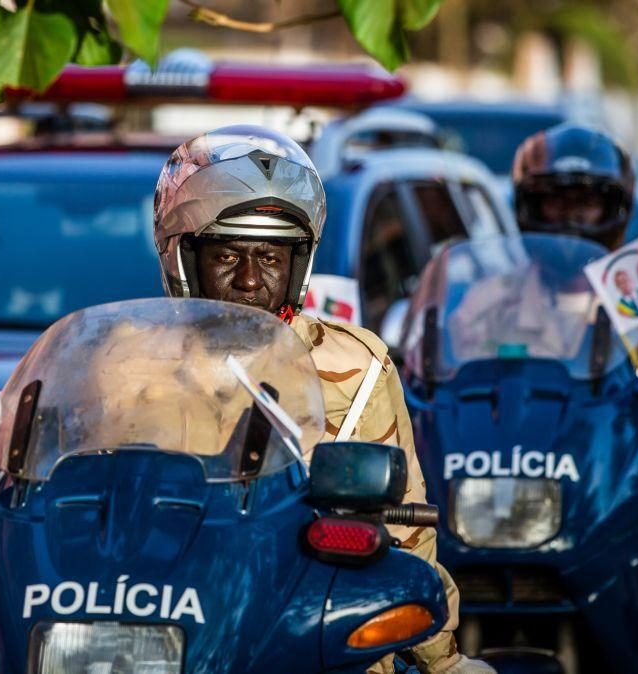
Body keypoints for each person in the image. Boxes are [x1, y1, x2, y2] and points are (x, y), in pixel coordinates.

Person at [153, 126, 492, 674]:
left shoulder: (357, 365)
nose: (248, 279)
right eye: (227, 254)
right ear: (183, 258)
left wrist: (443, 661)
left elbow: (406, 537)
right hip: (165, 624)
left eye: (270, 257)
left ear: (298, 266)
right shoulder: (131, 364)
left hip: (318, 629)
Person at [512, 122, 638, 354]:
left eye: (586, 203)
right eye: (556, 201)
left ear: (613, 208)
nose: (571, 215)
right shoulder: (491, 301)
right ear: (533, 206)